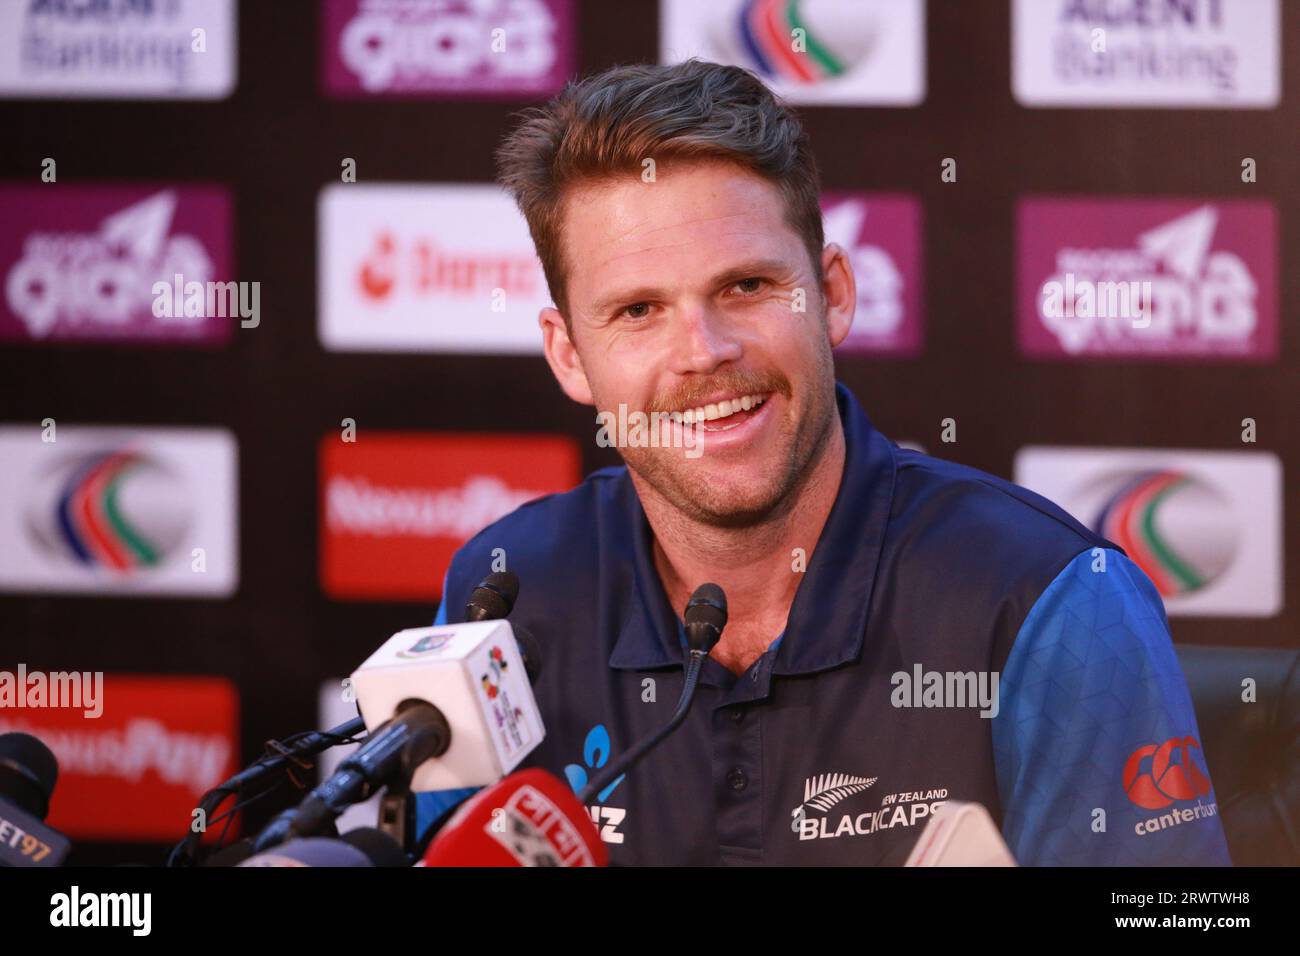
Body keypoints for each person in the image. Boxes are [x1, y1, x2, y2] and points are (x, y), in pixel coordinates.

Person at [420, 59, 1231, 866]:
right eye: (638, 310)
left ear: (834, 293)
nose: (703, 352)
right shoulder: (504, 590)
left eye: (745, 286)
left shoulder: (1048, 596)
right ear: (568, 356)